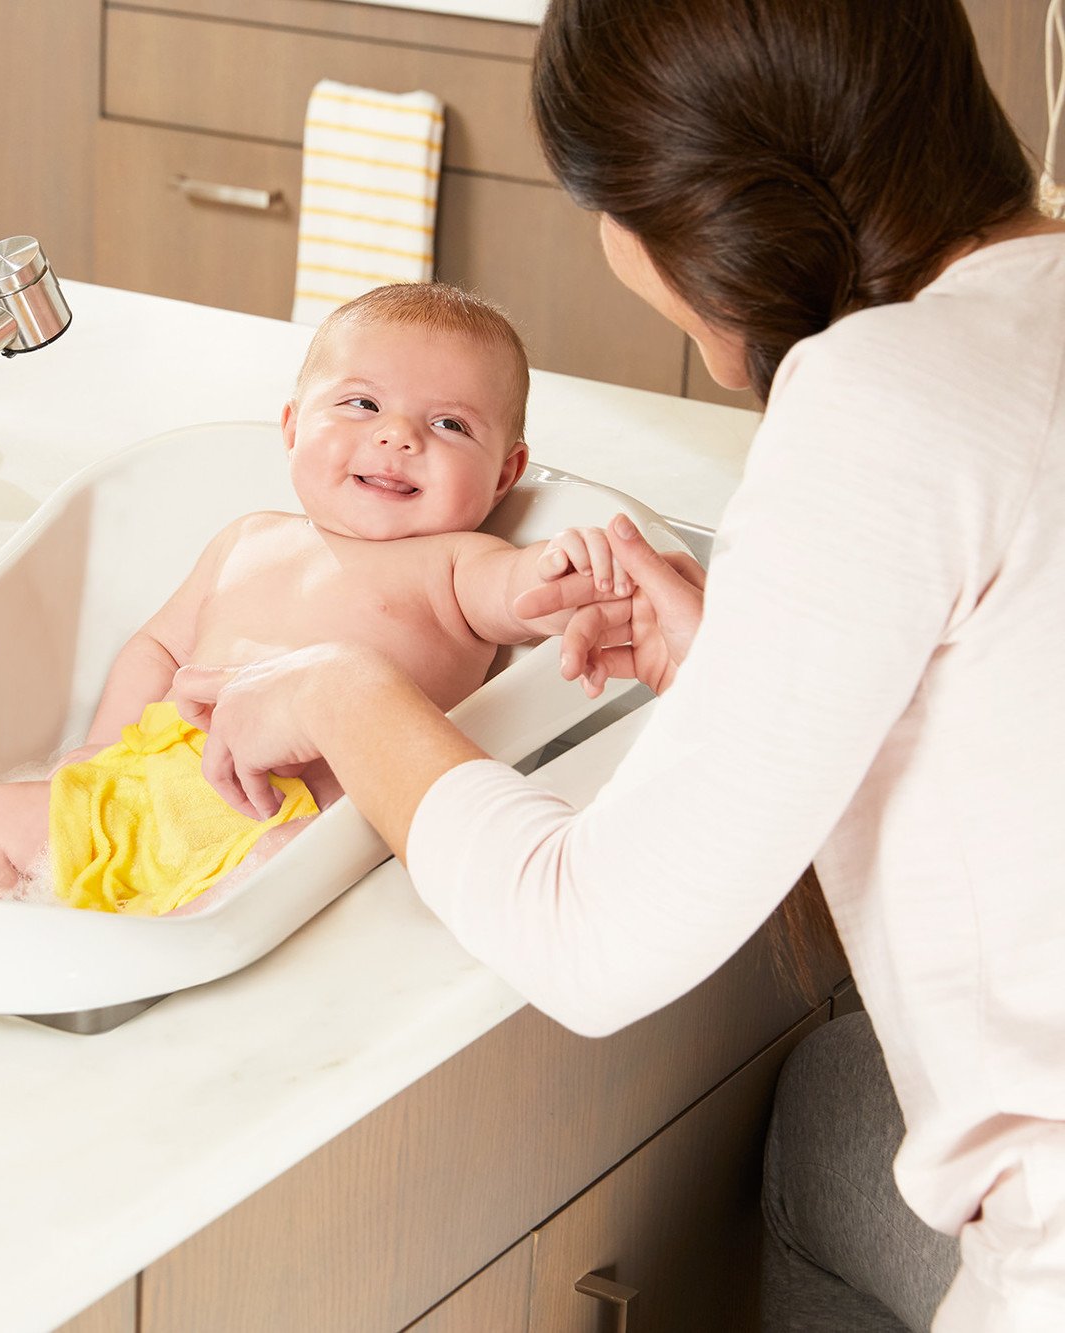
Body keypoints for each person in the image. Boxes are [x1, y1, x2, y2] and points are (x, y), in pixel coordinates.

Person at [169, 0, 1065, 1327]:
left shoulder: (889, 394)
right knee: (830, 1118)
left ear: (700, 215)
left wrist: (337, 689)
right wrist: (739, 667)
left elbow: (593, 938)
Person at [0, 282, 624, 911]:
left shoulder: (454, 564)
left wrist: (568, 569)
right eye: (362, 403)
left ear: (505, 474)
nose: (397, 435)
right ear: (293, 427)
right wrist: (99, 748)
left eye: (449, 425)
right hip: (145, 785)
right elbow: (157, 646)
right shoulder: (248, 538)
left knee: (283, 872)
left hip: (276, 819)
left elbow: (522, 594)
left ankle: (163, 956)